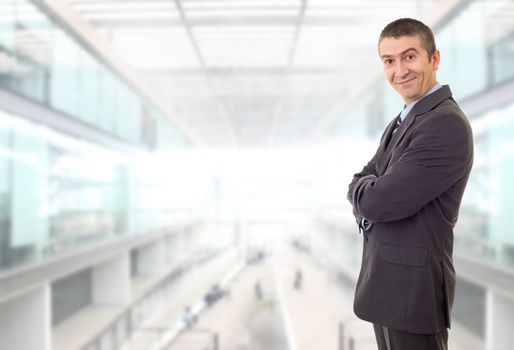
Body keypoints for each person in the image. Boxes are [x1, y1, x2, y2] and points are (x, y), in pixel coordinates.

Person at [347, 18, 473, 350]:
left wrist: (363, 194)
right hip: (389, 290)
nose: (399, 70)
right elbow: (365, 178)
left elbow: (378, 201)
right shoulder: (403, 119)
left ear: (434, 59)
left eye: (409, 56)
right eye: (389, 61)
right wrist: (365, 188)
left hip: (413, 293)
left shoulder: (444, 123)